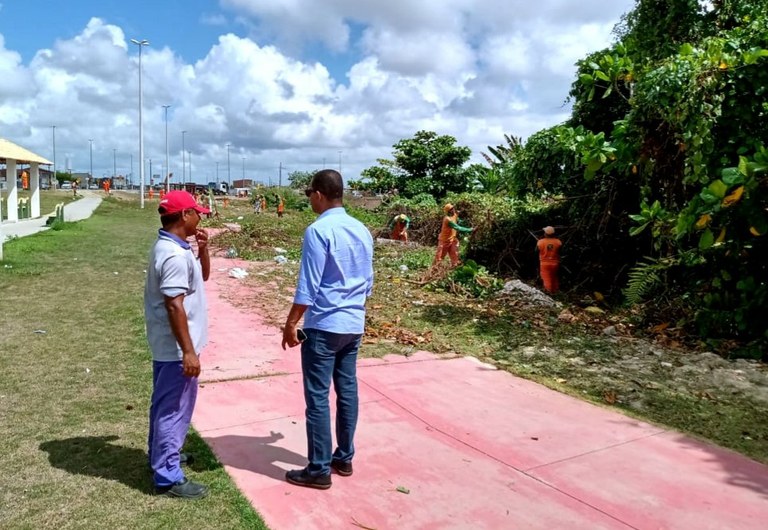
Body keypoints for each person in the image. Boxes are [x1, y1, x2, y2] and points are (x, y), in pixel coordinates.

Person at [281, 169, 374, 490]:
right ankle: (344, 457)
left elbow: (308, 285)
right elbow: (368, 282)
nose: (310, 200)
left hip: (323, 326)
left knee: (318, 397)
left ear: (319, 195)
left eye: (310, 194)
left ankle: (319, 469)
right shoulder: (362, 229)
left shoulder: (318, 230)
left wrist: (291, 323)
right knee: (347, 390)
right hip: (353, 324)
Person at [144, 190, 211, 499]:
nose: (200, 218)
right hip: (175, 349)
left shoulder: (176, 247)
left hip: (171, 346)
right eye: (196, 213)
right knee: (173, 408)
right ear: (184, 215)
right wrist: (188, 351)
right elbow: (174, 305)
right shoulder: (173, 255)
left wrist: (203, 250)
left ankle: (162, 455)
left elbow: (201, 278)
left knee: (165, 404)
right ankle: (167, 475)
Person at [432, 203, 474, 268]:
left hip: (452, 240)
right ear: (448, 211)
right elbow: (458, 228)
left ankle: (455, 267)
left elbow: (458, 218)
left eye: (453, 208)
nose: (453, 210)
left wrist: (461, 213)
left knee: (454, 254)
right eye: (451, 209)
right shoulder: (447, 219)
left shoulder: (454, 215)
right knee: (439, 257)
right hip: (444, 241)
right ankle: (434, 269)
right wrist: (470, 229)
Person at [537, 226, 562, 293]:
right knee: (554, 278)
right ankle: (556, 292)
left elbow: (537, 250)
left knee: (546, 279)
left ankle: (549, 293)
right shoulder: (558, 242)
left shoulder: (540, 242)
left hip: (544, 263)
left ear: (545, 234)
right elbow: (559, 251)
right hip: (555, 263)